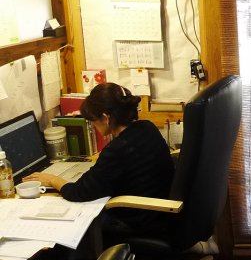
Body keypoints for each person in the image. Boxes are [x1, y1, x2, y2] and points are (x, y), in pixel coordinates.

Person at [25, 82, 175, 234]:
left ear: (105, 118)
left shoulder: (117, 150)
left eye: (92, 120)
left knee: (83, 221)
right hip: (160, 215)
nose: (92, 125)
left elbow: (78, 192)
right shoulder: (148, 127)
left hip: (141, 223)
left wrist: (51, 179)